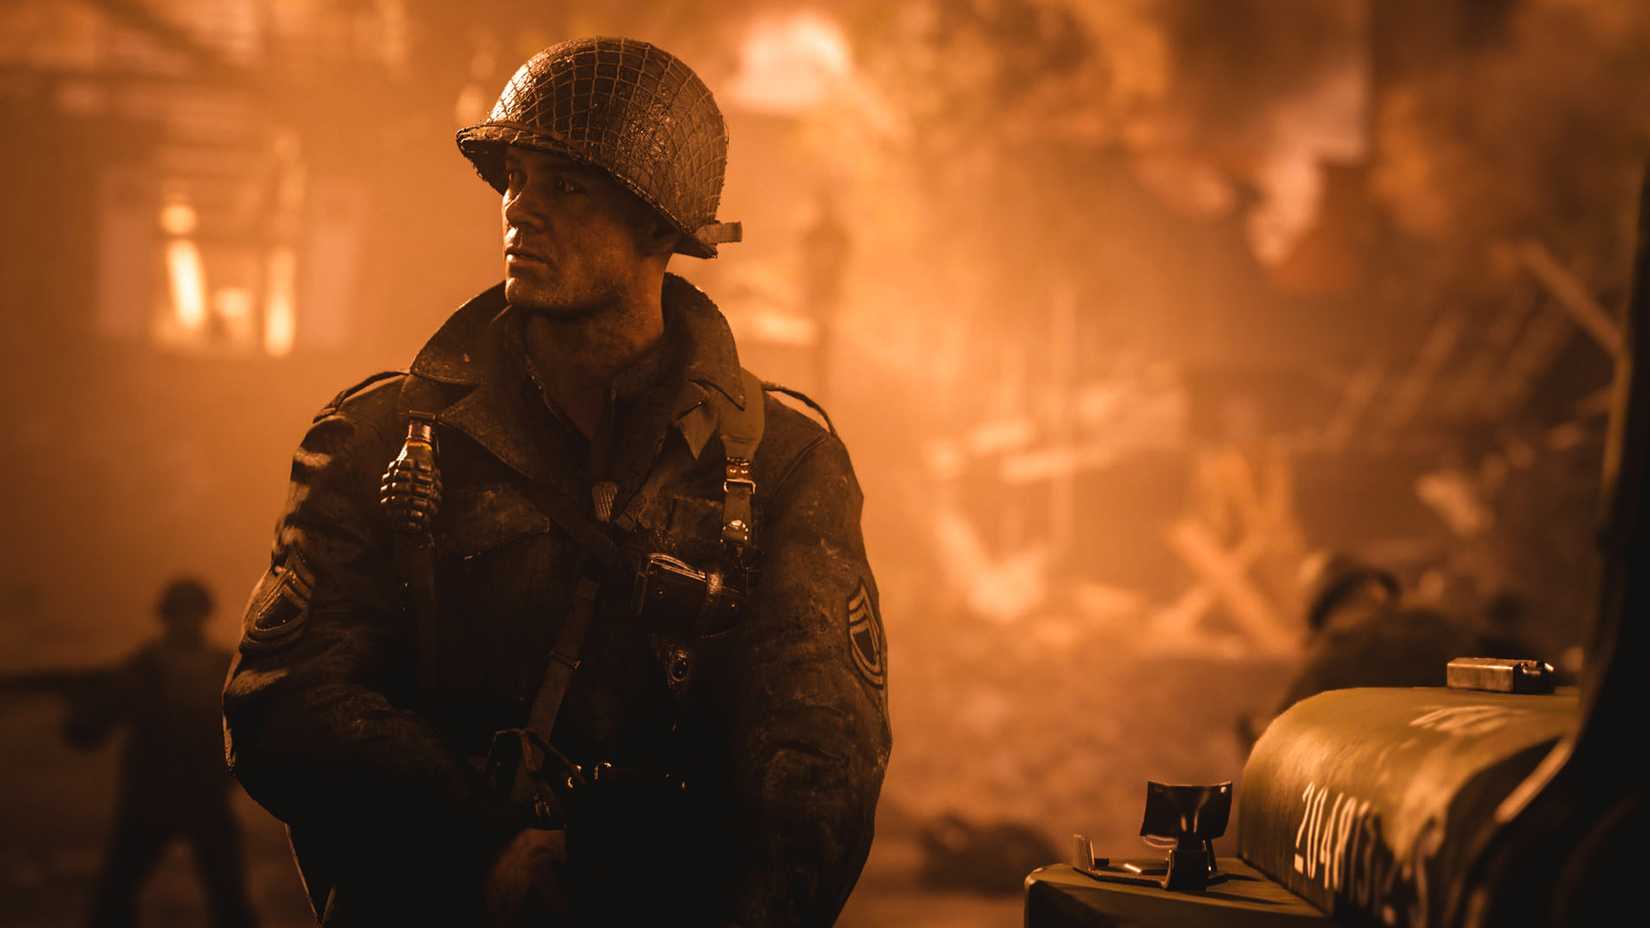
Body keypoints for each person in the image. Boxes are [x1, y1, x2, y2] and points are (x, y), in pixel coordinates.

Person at [222, 37, 890, 927]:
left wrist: (653, 883)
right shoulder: (376, 437)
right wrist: (479, 847)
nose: (520, 211)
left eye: (567, 187)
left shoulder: (782, 464)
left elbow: (818, 768)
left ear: (660, 225)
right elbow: (283, 702)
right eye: (515, 179)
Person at [73, 578, 256, 928]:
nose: (186, 621)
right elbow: (89, 728)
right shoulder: (150, 667)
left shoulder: (218, 667)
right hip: (154, 797)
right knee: (116, 894)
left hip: (200, 796)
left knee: (229, 897)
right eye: (180, 613)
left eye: (192, 612)